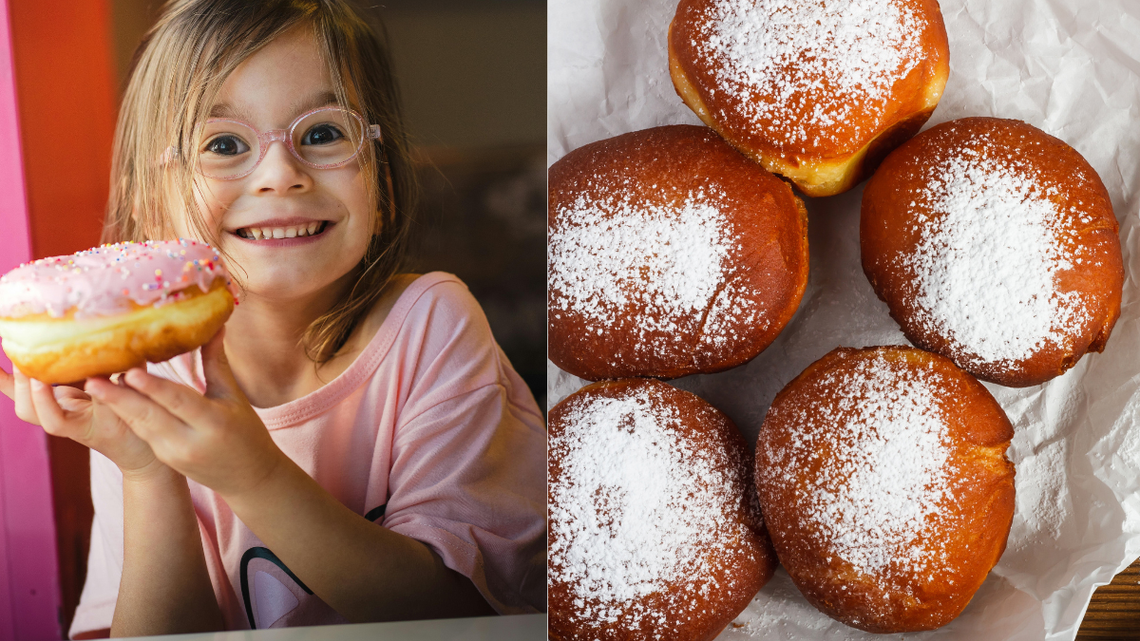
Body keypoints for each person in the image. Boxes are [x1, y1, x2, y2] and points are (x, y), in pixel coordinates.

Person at [0, 0, 546, 636]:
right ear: (157, 198)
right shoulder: (147, 380)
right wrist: (148, 474)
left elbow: (461, 615)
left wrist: (254, 476)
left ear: (383, 173)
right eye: (224, 144)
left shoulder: (429, 323)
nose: (281, 175)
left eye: (322, 133)